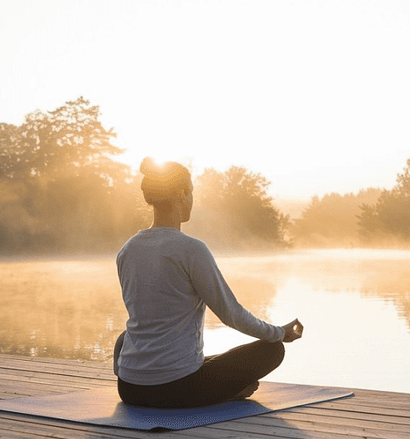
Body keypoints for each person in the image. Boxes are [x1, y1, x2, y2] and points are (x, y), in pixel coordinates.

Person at [113, 157, 303, 408]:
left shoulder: (127, 250)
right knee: (272, 350)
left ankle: (198, 383)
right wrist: (280, 333)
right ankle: (228, 392)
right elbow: (231, 314)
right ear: (182, 194)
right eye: (190, 192)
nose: (192, 199)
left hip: (129, 389)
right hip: (177, 390)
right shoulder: (191, 250)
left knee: (125, 338)